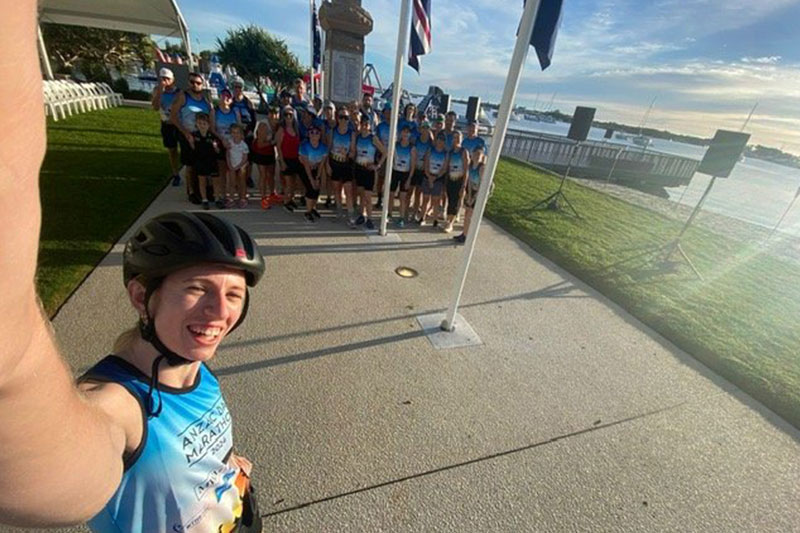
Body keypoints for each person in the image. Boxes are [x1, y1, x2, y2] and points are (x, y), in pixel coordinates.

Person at [170, 72, 214, 204]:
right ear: (188, 83)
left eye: (198, 83)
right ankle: (191, 192)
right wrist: (185, 132)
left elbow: (210, 118)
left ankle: (205, 191)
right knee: (190, 165)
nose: (195, 85)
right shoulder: (183, 97)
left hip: (202, 135)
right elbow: (173, 116)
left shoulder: (206, 101)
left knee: (202, 163)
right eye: (192, 82)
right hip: (188, 134)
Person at [353, 114, 386, 230]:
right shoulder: (358, 137)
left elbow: (385, 152)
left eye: (367, 124)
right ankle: (362, 215)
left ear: (370, 125)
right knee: (361, 194)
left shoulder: (373, 138)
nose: (364, 126)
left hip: (369, 170)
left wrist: (378, 166)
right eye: (363, 124)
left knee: (368, 196)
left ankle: (370, 218)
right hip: (359, 168)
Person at [150, 67, 181, 186]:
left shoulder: (178, 92)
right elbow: (155, 107)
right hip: (166, 124)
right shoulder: (157, 91)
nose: (165, 81)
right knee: (172, 149)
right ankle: (175, 174)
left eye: (167, 78)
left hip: (178, 124)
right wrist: (159, 93)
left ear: (172, 79)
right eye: (162, 78)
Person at [455, 144, 491, 244]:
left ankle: (468, 236)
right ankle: (464, 234)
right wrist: (469, 195)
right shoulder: (471, 165)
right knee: (467, 213)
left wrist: (474, 198)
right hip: (472, 191)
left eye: (480, 154)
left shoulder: (482, 168)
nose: (477, 155)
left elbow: (482, 186)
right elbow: (469, 182)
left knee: (470, 215)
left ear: (482, 155)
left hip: (479, 193)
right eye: (476, 153)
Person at [327, 108, 356, 222]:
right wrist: (327, 165)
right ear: (337, 118)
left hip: (346, 164)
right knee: (336, 189)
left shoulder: (351, 133)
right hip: (334, 163)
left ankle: (350, 215)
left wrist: (348, 154)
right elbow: (328, 150)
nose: (343, 120)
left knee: (348, 191)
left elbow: (353, 152)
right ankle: (339, 212)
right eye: (341, 117)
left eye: (346, 117)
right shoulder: (332, 132)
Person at [214, 88, 241, 209]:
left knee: (233, 172)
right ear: (220, 97)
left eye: (228, 96)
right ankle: (222, 196)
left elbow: (239, 128)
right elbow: (212, 129)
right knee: (222, 172)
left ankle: (232, 196)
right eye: (224, 95)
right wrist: (222, 139)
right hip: (221, 143)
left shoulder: (235, 112)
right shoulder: (214, 111)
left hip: (233, 145)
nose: (226, 98)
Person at [192, 112, 222, 210]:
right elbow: (192, 149)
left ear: (208, 125)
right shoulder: (194, 136)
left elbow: (218, 151)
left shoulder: (212, 137)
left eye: (204, 124)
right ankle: (204, 199)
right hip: (200, 161)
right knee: (202, 181)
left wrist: (216, 147)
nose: (202, 126)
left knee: (215, 180)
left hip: (212, 161)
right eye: (200, 123)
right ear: (196, 124)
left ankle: (217, 198)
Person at [252, 106, 280, 210]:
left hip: (270, 152)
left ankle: (273, 193)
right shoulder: (264, 125)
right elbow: (260, 144)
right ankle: (263, 198)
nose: (275, 116)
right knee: (263, 175)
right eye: (272, 113)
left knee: (271, 174)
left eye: (276, 113)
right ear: (269, 114)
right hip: (260, 152)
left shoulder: (277, 125)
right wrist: (273, 142)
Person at [275, 106, 303, 212]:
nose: (288, 117)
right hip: (285, 158)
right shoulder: (282, 129)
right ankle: (286, 202)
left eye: (290, 115)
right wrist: (281, 161)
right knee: (288, 182)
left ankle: (291, 199)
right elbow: (278, 146)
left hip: (295, 158)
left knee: (294, 182)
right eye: (286, 115)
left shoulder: (296, 129)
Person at [298, 125, 328, 223]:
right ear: (309, 134)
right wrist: (311, 179)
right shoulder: (304, 146)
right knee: (310, 188)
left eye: (317, 133)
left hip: (316, 169)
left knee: (317, 189)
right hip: (304, 169)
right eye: (312, 132)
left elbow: (321, 164)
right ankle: (308, 211)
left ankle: (313, 208)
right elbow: (306, 164)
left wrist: (318, 177)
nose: (314, 135)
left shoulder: (323, 148)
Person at [389, 125, 417, 228]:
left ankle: (401, 217)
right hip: (395, 172)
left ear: (409, 135)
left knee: (403, 197)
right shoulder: (395, 145)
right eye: (404, 132)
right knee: (391, 194)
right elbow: (391, 158)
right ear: (401, 134)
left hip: (405, 174)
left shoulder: (412, 148)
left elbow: (413, 165)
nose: (405, 134)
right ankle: (389, 213)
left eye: (407, 132)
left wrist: (409, 178)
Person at [420, 132, 449, 227]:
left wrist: (435, 178)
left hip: (438, 178)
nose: (440, 142)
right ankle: (422, 218)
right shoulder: (430, 150)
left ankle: (435, 220)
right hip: (427, 176)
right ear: (436, 140)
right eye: (439, 139)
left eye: (442, 140)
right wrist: (429, 176)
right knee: (425, 199)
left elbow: (444, 168)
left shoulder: (445, 153)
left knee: (436, 200)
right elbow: (426, 164)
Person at [444, 130, 469, 233]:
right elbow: (447, 167)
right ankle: (449, 219)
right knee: (450, 200)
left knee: (455, 201)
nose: (456, 139)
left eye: (458, 137)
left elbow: (466, 169)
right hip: (450, 179)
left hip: (459, 179)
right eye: (454, 137)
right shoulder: (450, 152)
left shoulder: (464, 152)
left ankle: (450, 223)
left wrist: (464, 185)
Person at [410, 120, 433, 223]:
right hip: (414, 168)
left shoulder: (431, 143)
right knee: (410, 191)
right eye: (423, 128)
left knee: (419, 193)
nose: (425, 130)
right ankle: (407, 213)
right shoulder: (416, 140)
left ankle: (415, 213)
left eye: (427, 128)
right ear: (420, 129)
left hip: (423, 171)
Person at [226, 124, 250, 208]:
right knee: (232, 183)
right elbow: (228, 154)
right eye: (233, 132)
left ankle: (242, 198)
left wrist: (238, 166)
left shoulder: (244, 145)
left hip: (241, 166)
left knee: (242, 183)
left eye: (237, 133)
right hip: (232, 165)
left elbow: (245, 158)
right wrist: (229, 164)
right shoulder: (230, 143)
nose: (235, 135)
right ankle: (231, 198)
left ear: (241, 134)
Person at [374, 103, 393, 210]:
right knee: (380, 179)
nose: (388, 114)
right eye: (387, 112)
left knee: (389, 180)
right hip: (382, 155)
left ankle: (387, 199)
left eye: (390, 112)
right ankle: (379, 198)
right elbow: (376, 141)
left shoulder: (396, 126)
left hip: (393, 156)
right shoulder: (380, 126)